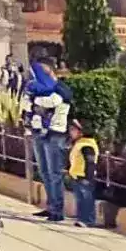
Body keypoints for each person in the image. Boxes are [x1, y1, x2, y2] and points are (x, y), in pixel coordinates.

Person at [25, 56, 73, 222]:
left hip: (54, 134)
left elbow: (49, 102)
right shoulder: (38, 88)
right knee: (44, 172)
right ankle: (50, 206)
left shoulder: (61, 89)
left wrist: (34, 100)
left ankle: (57, 210)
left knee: (54, 173)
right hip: (39, 132)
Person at [67, 119, 99, 228]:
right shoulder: (79, 143)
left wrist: (88, 177)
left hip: (84, 177)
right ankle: (81, 218)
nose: (70, 132)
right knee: (80, 199)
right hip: (77, 176)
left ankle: (88, 220)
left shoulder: (87, 145)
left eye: (73, 130)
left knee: (87, 199)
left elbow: (90, 162)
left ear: (81, 132)